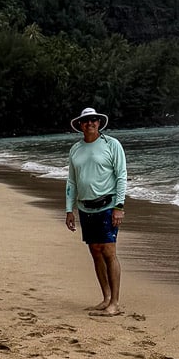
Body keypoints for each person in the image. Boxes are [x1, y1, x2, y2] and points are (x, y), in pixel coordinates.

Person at [64, 106, 127, 315]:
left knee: (109, 252)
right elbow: (71, 181)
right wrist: (69, 210)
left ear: (99, 123)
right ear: (80, 125)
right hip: (85, 207)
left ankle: (115, 303)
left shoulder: (112, 144)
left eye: (93, 120)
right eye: (86, 121)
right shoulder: (75, 149)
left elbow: (121, 176)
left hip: (108, 205)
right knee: (95, 253)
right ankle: (106, 297)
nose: (90, 123)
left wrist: (119, 207)